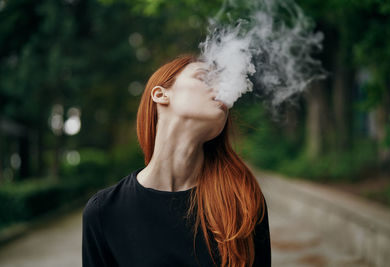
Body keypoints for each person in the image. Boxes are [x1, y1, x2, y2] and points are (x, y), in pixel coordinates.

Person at [82, 55, 271, 267]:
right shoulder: (104, 211)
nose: (223, 89)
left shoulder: (242, 198)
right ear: (161, 95)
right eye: (204, 78)